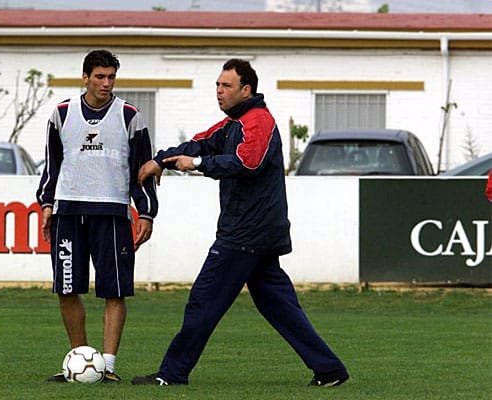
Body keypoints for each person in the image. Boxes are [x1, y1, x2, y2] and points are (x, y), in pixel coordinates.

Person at [132, 59, 348, 387]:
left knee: (203, 301)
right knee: (280, 307)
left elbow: (248, 163)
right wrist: (161, 160)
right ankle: (330, 370)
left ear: (246, 90)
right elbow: (199, 142)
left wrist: (198, 164)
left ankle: (171, 374)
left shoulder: (257, 121)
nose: (219, 91)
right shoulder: (232, 123)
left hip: (246, 233)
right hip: (255, 232)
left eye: (226, 86)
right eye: (217, 85)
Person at [36, 49, 158, 383]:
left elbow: (142, 170)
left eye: (111, 77)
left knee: (114, 291)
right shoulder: (61, 114)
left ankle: (108, 367)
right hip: (68, 212)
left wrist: (146, 212)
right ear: (85, 77)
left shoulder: (130, 116)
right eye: (100, 76)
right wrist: (46, 204)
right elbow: (52, 165)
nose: (106, 83)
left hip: (113, 213)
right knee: (67, 288)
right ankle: (80, 361)